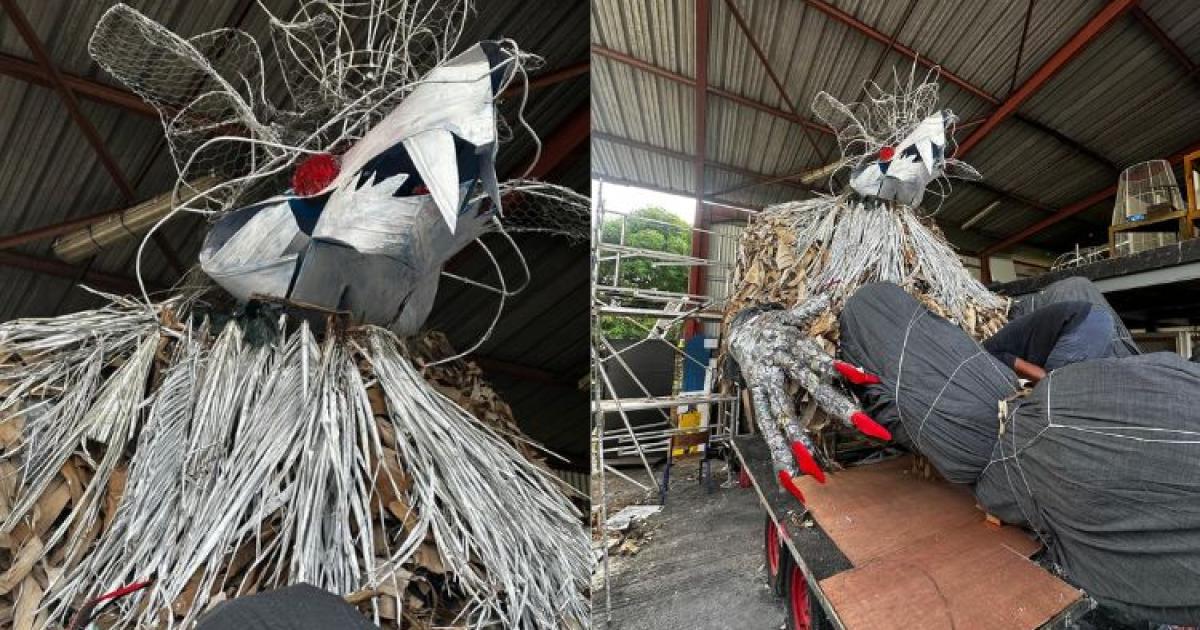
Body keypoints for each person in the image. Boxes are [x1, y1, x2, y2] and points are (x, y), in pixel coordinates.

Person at [983, 301, 1115, 383]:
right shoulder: (1008, 337)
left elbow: (1043, 376)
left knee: (1058, 386)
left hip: (1082, 323)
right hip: (1098, 317)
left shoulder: (989, 352)